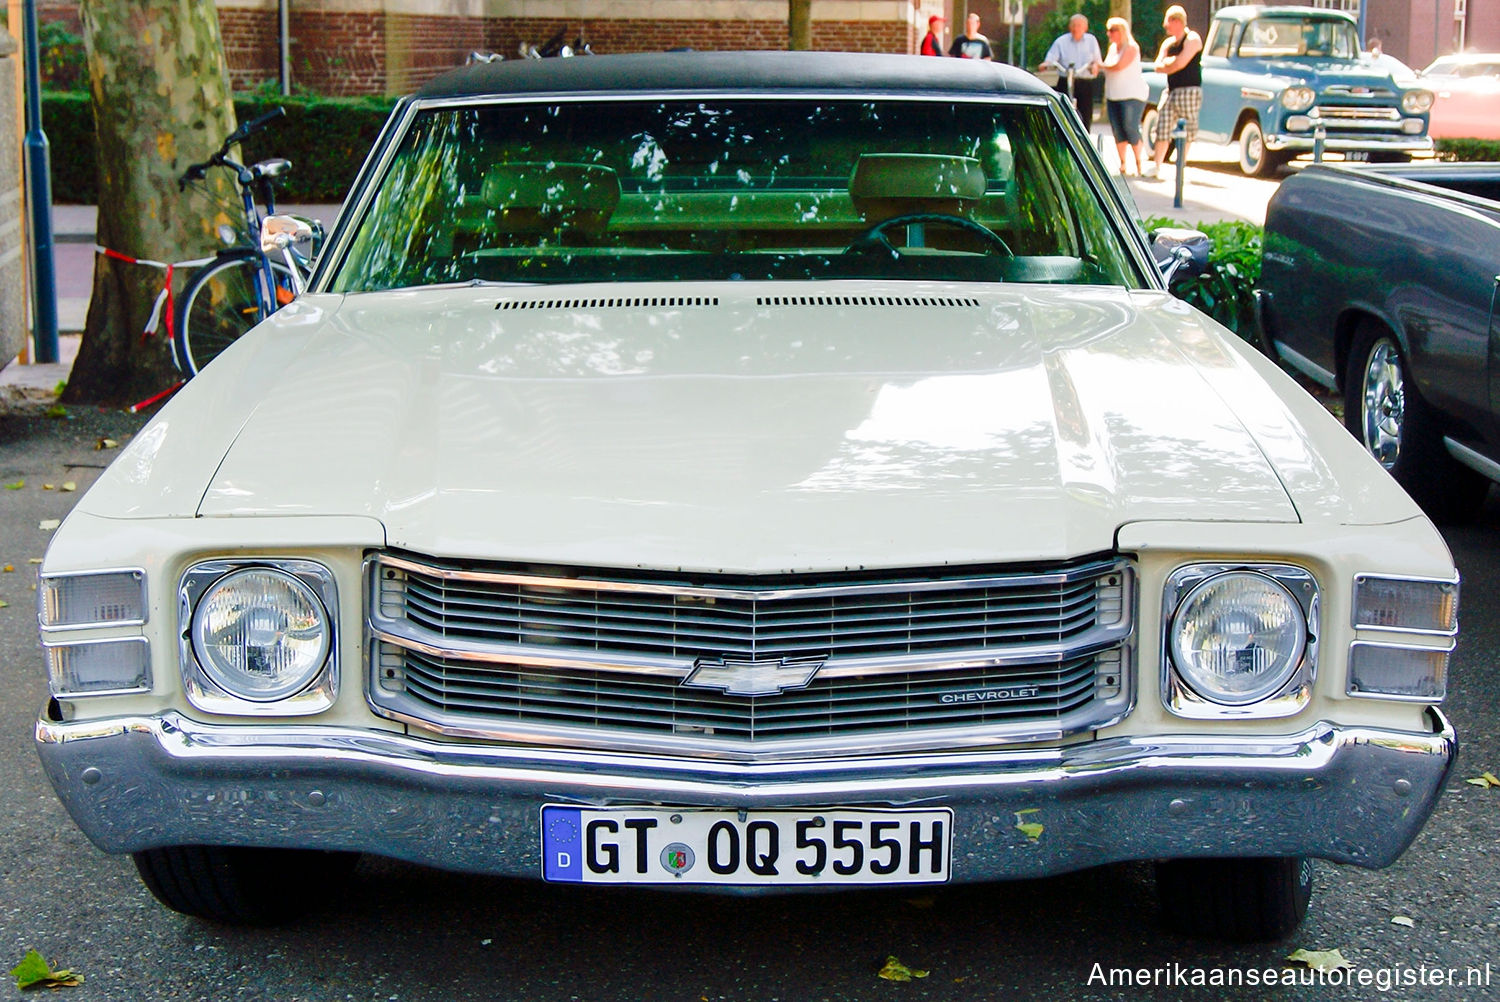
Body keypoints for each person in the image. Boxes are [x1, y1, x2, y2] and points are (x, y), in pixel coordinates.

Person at [1145, 5, 1202, 179]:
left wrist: (1170, 63)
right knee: (1162, 126)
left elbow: (1181, 64)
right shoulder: (1169, 43)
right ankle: (1157, 166)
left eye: (1168, 22)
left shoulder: (1192, 39)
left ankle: (1181, 167)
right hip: (1171, 90)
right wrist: (1171, 63)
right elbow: (1158, 66)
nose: (1166, 26)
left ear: (1177, 21)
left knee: (1188, 129)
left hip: (1189, 90)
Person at [1100, 17, 1149, 175]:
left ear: (1121, 31)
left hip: (1131, 94)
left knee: (1130, 126)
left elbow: (1119, 66)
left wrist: (1100, 66)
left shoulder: (1131, 47)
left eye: (1113, 30)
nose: (1110, 34)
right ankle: (1123, 164)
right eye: (1109, 30)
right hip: (1114, 94)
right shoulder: (1113, 48)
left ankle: (1139, 162)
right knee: (1118, 129)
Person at [1041, 14, 1103, 130]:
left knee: (1086, 115)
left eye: (1079, 26)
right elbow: (1050, 59)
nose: (1076, 28)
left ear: (1085, 28)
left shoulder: (1091, 40)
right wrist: (1046, 64)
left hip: (1084, 82)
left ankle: (1084, 141)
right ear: (1070, 27)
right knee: (1062, 111)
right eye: (1073, 25)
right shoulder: (1061, 41)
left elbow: (1097, 61)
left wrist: (1095, 66)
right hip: (1065, 80)